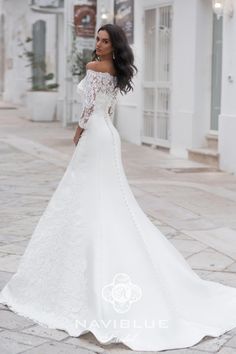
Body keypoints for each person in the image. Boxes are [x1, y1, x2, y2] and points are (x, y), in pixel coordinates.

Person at [0, 23, 236, 352]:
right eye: (97, 38)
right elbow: (108, 108)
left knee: (89, 196)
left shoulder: (94, 68)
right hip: (108, 133)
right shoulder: (116, 69)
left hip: (96, 134)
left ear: (114, 45)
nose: (98, 44)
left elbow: (88, 108)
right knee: (110, 196)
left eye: (104, 40)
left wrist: (79, 132)